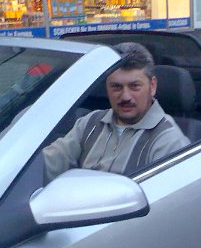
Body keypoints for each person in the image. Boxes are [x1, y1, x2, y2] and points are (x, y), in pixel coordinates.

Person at [43, 42, 190, 181]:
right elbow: (46, 165)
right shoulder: (89, 123)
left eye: (134, 86)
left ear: (152, 86)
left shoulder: (168, 140)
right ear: (106, 87)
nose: (125, 96)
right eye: (116, 87)